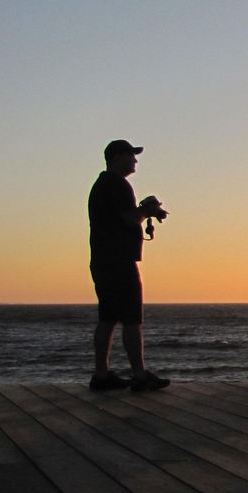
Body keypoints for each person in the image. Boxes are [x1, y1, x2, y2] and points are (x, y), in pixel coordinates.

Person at [87, 139, 170, 392]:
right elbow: (128, 218)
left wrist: (145, 211)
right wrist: (148, 210)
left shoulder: (102, 185)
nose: (135, 161)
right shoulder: (118, 185)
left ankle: (101, 375)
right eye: (130, 156)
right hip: (119, 261)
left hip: (103, 260)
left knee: (108, 318)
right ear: (116, 157)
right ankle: (139, 375)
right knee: (132, 319)